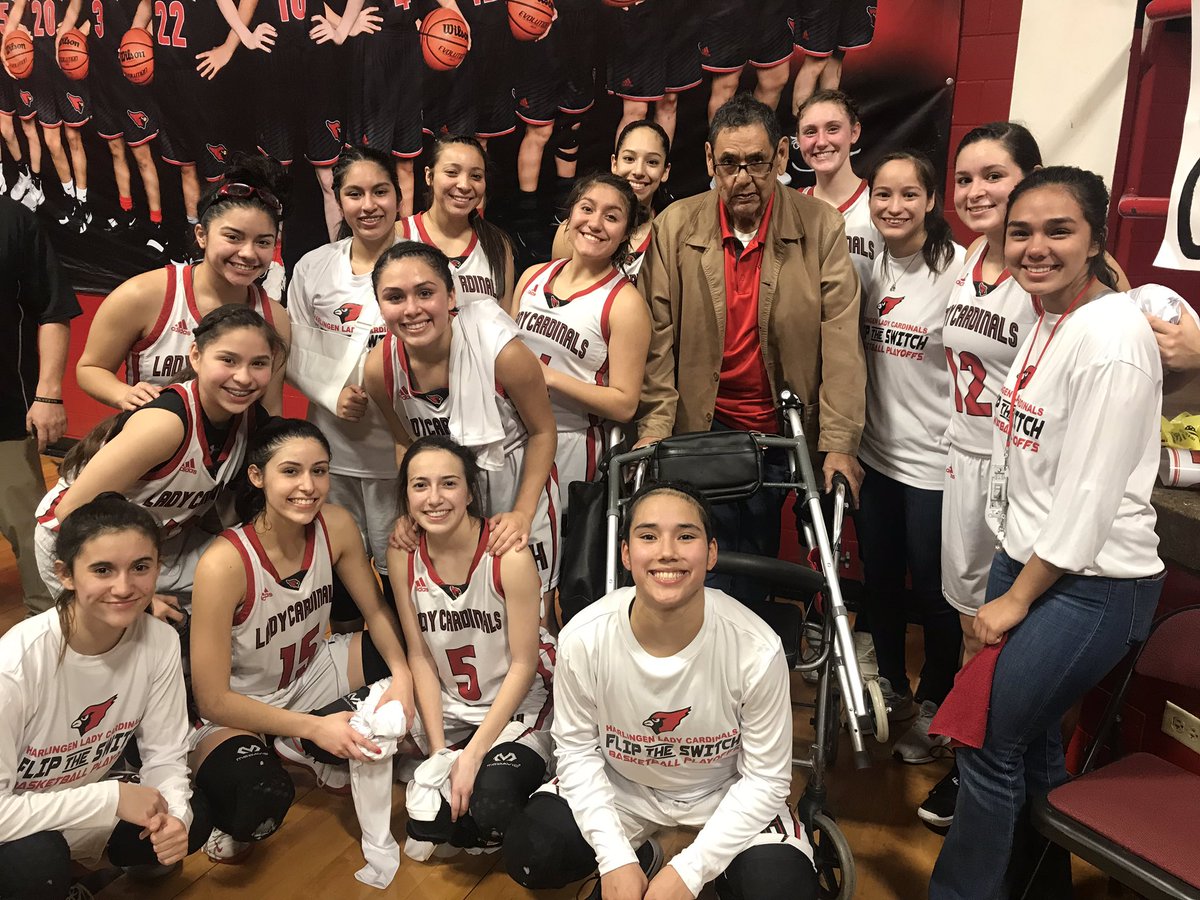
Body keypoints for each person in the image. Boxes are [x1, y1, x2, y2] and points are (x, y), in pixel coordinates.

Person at [930, 166, 1166, 899]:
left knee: (989, 743)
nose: (1035, 247)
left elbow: (1090, 500)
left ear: (1097, 237)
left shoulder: (1113, 339)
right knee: (1029, 748)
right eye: (1021, 231)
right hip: (1029, 561)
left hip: (1091, 584)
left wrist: (1013, 597)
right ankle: (1039, 888)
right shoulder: (1045, 315)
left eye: (1058, 230)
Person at [503, 482, 818, 900]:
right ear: (626, 553)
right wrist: (614, 857)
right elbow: (576, 751)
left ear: (710, 553)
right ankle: (645, 855)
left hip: (723, 793)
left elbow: (766, 780)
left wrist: (689, 872)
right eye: (648, 536)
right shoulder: (583, 637)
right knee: (531, 853)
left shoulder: (755, 647)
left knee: (781, 891)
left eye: (686, 536)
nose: (667, 551)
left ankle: (706, 870)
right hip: (624, 787)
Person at [637, 92, 865, 604]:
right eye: (729, 164)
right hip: (700, 425)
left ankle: (748, 666)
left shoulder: (820, 226)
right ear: (709, 162)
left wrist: (840, 443)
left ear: (782, 156)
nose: (743, 178)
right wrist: (653, 431)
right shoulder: (676, 225)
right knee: (701, 558)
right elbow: (657, 338)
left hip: (778, 430)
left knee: (759, 562)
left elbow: (842, 342)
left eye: (758, 162)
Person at [188, 418, 413, 862]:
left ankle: (302, 746)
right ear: (258, 476)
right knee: (259, 801)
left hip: (313, 675)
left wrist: (403, 676)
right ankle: (298, 744)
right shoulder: (223, 563)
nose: (308, 486)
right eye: (290, 471)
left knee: (416, 653)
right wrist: (316, 727)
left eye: (320, 471)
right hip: (242, 707)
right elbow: (212, 700)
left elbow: (377, 613)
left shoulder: (336, 524)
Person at [0, 494, 209, 900]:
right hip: (18, 819)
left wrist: (177, 820)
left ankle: (79, 871)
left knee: (192, 813)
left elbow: (165, 755)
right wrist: (109, 797)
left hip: (75, 800)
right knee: (34, 866)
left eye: (141, 567)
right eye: (102, 570)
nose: (124, 587)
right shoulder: (16, 664)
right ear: (65, 574)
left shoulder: (160, 641)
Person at [35, 305, 282, 611]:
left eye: (259, 363)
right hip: (81, 543)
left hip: (156, 544)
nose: (244, 377)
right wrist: (140, 596)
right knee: (124, 646)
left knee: (251, 579)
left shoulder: (249, 420)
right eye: (228, 360)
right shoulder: (165, 425)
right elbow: (70, 511)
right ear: (196, 356)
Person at [364, 242, 560, 601]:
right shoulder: (379, 369)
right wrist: (410, 509)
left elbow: (544, 432)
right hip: (447, 502)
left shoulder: (505, 354)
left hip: (512, 487)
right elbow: (405, 444)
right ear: (379, 305)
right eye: (394, 297)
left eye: (425, 292)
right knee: (464, 613)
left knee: (530, 618)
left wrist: (522, 513)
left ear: (451, 295)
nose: (412, 309)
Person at [387, 436, 553, 851]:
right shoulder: (402, 552)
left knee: (490, 805)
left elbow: (523, 665)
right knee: (358, 740)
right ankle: (454, 751)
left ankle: (515, 763)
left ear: (470, 491)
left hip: (522, 696)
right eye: (419, 485)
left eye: (449, 484)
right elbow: (419, 655)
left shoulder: (508, 555)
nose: (434, 498)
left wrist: (473, 755)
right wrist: (441, 752)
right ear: (405, 494)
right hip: (453, 697)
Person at [855, 151, 965, 765]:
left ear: (929, 201)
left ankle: (937, 700)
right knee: (879, 581)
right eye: (883, 195)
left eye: (908, 195)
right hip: (875, 455)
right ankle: (893, 687)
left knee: (932, 588)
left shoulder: (956, 271)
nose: (894, 207)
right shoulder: (867, 262)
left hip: (933, 462)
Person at [75, 154, 291, 415]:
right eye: (233, 237)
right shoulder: (142, 295)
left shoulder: (274, 318)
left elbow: (271, 408)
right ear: (202, 235)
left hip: (232, 454)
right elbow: (90, 369)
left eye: (263, 242)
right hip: (150, 448)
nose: (248, 253)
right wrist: (124, 394)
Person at [287, 146, 400, 622]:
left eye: (380, 191)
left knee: (401, 573)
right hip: (332, 457)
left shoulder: (422, 265)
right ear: (338, 199)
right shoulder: (314, 267)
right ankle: (351, 675)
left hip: (397, 458)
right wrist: (331, 394)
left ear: (399, 195)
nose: (368, 204)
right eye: (354, 193)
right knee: (339, 573)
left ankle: (410, 667)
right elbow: (289, 351)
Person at [517, 173, 650, 503]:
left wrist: (548, 377)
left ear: (625, 234)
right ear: (570, 214)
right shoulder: (532, 276)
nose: (595, 223)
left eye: (612, 217)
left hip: (572, 446)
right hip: (511, 436)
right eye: (587, 209)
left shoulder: (625, 303)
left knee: (556, 549)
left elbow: (624, 403)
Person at [0, 197, 78, 617]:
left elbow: (52, 308)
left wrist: (48, 394)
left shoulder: (12, 219)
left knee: (29, 528)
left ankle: (48, 623)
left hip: (4, 411)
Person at [397, 134, 516, 314]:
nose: (464, 185)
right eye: (452, 172)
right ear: (429, 176)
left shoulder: (498, 244)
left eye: (476, 176)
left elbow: (506, 325)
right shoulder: (398, 235)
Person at [552, 120, 671, 287]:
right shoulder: (573, 232)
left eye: (652, 162)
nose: (638, 171)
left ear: (665, 171)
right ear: (614, 163)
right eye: (629, 158)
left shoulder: (670, 237)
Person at [796, 89, 881, 292]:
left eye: (833, 129)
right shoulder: (789, 208)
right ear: (798, 140)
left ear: (854, 132)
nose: (822, 141)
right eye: (810, 132)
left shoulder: (879, 206)